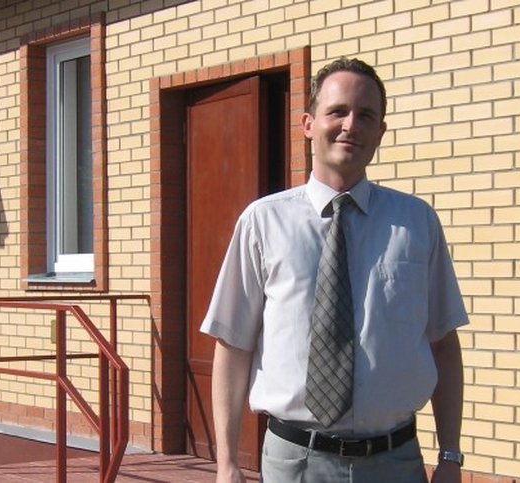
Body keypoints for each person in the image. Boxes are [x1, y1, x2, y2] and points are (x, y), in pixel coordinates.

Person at [200, 57, 467, 483]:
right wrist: (227, 462)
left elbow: (443, 343)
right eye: (337, 111)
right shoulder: (263, 223)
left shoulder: (416, 223)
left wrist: (450, 454)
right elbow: (233, 345)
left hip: (396, 463)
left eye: (366, 116)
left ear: (380, 131)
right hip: (295, 463)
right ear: (308, 124)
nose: (350, 126)